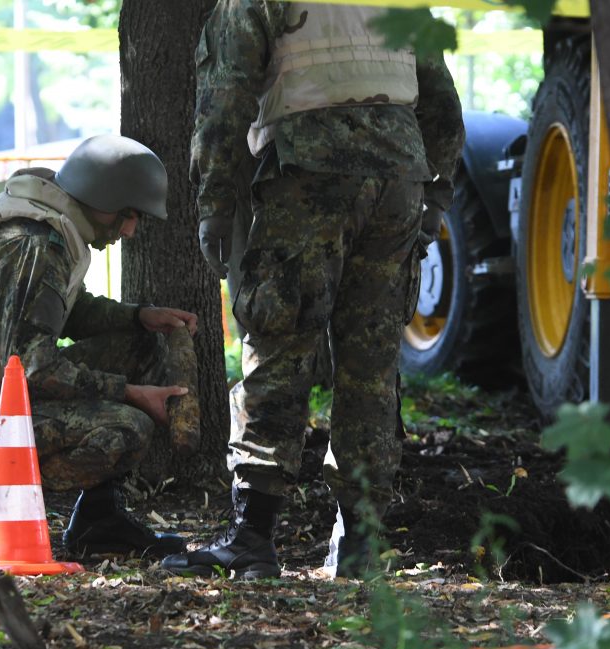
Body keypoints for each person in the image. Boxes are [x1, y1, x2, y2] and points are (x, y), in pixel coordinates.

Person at [162, 1, 465, 579]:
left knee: (280, 342)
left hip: (308, 169)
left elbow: (224, 99)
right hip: (399, 175)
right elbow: (443, 105)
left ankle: (252, 538)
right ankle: (359, 544)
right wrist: (437, 197)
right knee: (370, 363)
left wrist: (215, 204)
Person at [0, 134, 198, 560]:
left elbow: (63, 310)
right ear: (103, 197)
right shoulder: (33, 243)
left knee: (141, 345)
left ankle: (98, 523)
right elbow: (32, 369)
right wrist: (131, 394)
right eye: (129, 214)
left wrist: (140, 316)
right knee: (126, 429)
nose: (131, 229)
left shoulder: (51, 224)